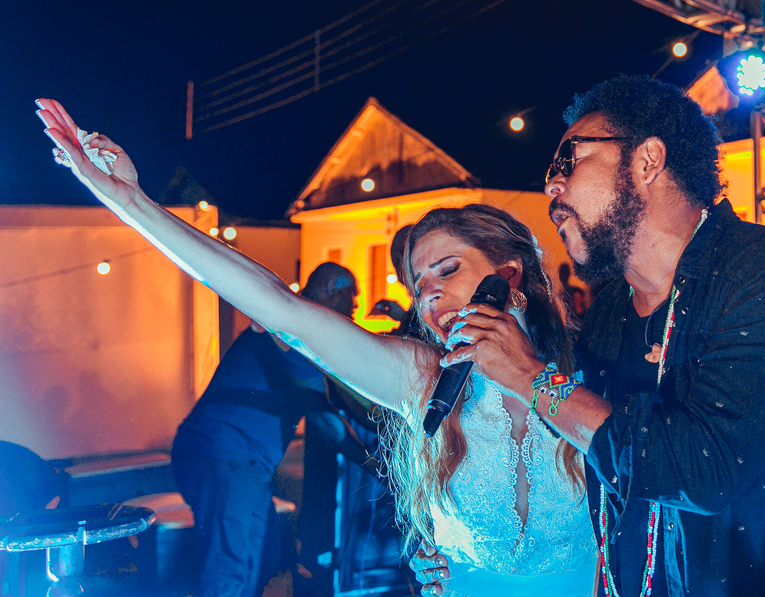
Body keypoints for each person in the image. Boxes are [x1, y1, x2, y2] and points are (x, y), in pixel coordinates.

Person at [34, 100, 597, 597]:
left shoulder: (595, 367)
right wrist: (131, 202)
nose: (432, 296)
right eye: (420, 285)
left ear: (510, 275)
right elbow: (281, 309)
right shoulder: (423, 377)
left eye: (448, 270)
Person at [437, 76, 765, 597]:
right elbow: (591, 469)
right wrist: (458, 542)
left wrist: (533, 378)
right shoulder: (611, 310)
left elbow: (705, 470)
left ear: (647, 161)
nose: (551, 186)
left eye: (568, 161)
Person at [170, 262, 355, 597]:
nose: (354, 309)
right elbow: (322, 415)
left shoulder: (294, 326)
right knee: (231, 567)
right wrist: (375, 462)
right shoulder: (291, 328)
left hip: (239, 461)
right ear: (331, 289)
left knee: (259, 561)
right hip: (226, 456)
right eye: (350, 298)